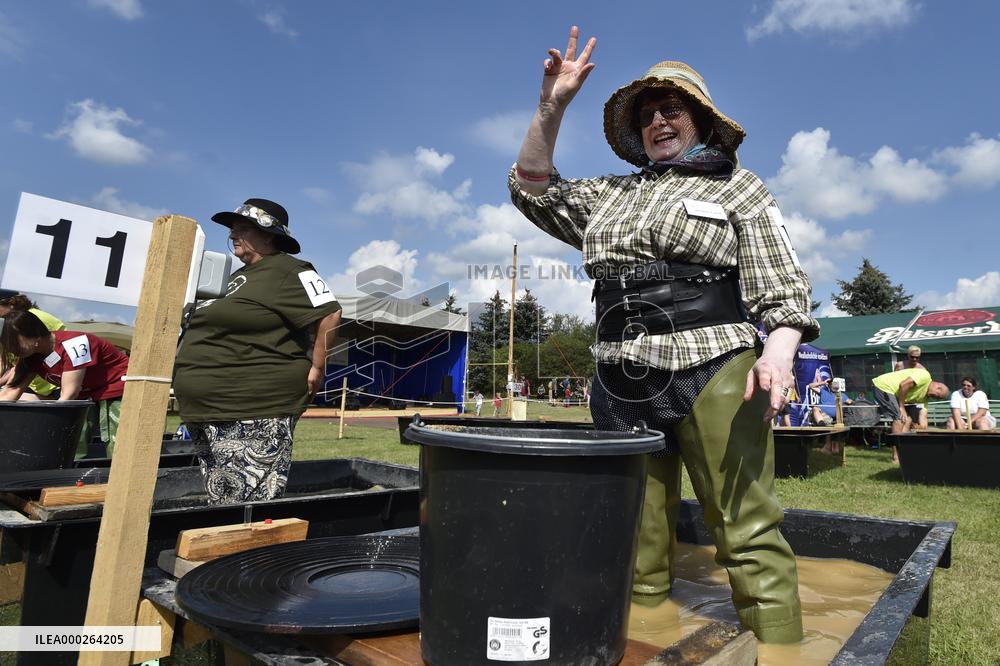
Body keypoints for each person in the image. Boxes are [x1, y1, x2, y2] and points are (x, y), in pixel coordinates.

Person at [509, 27, 817, 643]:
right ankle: (644, 638)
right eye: (648, 115)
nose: (658, 121)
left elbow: (782, 286)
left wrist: (778, 357)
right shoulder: (610, 194)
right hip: (621, 374)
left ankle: (785, 650)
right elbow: (532, 186)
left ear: (699, 119)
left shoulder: (739, 186)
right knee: (633, 535)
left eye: (671, 109)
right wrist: (553, 105)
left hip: (717, 364)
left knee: (746, 527)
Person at [173, 198, 342, 505]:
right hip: (208, 408)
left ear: (270, 235)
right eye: (232, 229)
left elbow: (329, 312)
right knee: (222, 502)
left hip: (253, 407)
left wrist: (318, 367)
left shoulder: (290, 270)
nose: (233, 234)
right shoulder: (236, 277)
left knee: (244, 512)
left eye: (243, 228)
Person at [0, 309, 129, 451]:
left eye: (13, 342)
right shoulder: (30, 357)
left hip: (116, 388)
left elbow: (69, 394)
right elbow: (9, 393)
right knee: (71, 444)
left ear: (31, 332)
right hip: (85, 394)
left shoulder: (75, 344)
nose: (11, 349)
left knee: (118, 443)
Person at [871, 367, 949, 463]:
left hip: (890, 391)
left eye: (938, 399)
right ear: (938, 387)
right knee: (899, 418)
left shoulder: (924, 399)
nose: (935, 398)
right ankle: (896, 457)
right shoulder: (925, 376)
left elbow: (923, 421)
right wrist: (901, 407)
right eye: (937, 396)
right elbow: (904, 384)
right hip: (883, 386)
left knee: (907, 420)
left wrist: (919, 427)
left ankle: (903, 451)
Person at [0, 289, 65, 400]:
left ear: (11, 303)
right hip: (31, 383)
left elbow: (59, 352)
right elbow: (3, 359)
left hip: (53, 385)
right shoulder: (5, 325)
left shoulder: (35, 319)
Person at [893, 346, 927, 427]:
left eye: (917, 357)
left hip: (913, 401)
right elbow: (894, 380)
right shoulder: (899, 365)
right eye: (912, 357)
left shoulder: (922, 369)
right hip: (900, 398)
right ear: (908, 355)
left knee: (914, 423)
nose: (914, 359)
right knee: (903, 420)